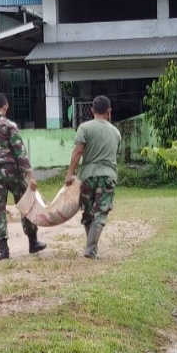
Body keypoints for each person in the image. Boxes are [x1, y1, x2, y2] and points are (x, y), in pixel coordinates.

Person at [0, 93, 47, 260]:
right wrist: (30, 177)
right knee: (25, 205)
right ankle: (33, 242)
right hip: (12, 171)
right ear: (6, 106)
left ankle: (3, 250)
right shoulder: (10, 125)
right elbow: (20, 152)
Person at [65, 95, 121, 258]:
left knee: (88, 213)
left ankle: (91, 248)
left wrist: (69, 174)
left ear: (92, 111)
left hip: (88, 176)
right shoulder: (116, 132)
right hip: (108, 176)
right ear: (109, 111)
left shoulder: (84, 128)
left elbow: (77, 152)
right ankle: (91, 249)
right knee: (101, 212)